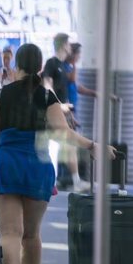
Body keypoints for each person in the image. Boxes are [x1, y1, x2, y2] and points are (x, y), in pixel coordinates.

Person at [0, 43, 115, 264]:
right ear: (40, 68)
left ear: (16, 66)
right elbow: (64, 133)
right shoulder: (48, 97)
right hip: (38, 166)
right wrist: (93, 146)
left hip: (8, 163)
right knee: (31, 235)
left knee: (10, 232)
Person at [43, 33, 89, 192]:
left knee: (69, 146)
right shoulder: (51, 63)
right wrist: (58, 106)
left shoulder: (63, 66)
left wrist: (69, 114)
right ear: (63, 45)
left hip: (63, 113)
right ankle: (55, 180)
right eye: (68, 44)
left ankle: (73, 181)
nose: (70, 47)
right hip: (52, 112)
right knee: (55, 146)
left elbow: (65, 93)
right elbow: (47, 87)